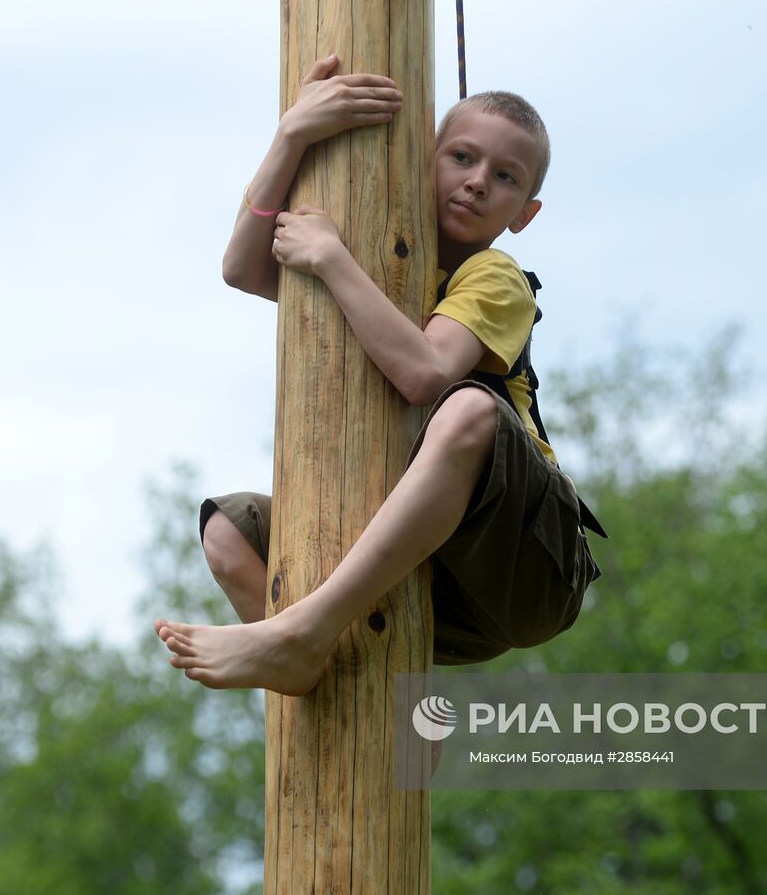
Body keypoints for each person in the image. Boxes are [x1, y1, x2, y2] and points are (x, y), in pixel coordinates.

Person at [155, 54, 604, 695]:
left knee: (471, 408)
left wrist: (333, 259)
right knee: (231, 530)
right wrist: (293, 135)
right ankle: (326, 675)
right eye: (462, 158)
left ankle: (301, 632)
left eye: (504, 176)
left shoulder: (493, 276)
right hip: (428, 573)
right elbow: (244, 268)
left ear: (524, 213)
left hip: (527, 563)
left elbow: (424, 375)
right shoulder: (378, 263)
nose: (477, 182)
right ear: (422, 157)